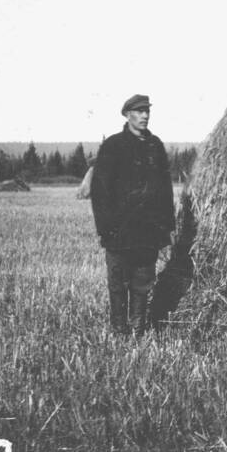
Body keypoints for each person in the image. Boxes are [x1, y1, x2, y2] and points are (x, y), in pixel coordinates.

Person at [90, 94, 175, 336]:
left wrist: (167, 226)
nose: (145, 116)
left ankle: (138, 329)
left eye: (147, 111)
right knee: (118, 284)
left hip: (147, 231)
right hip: (119, 230)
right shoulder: (114, 146)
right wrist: (106, 228)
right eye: (139, 111)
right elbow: (100, 190)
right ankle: (119, 331)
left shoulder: (155, 146)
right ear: (128, 115)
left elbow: (165, 190)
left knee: (143, 283)